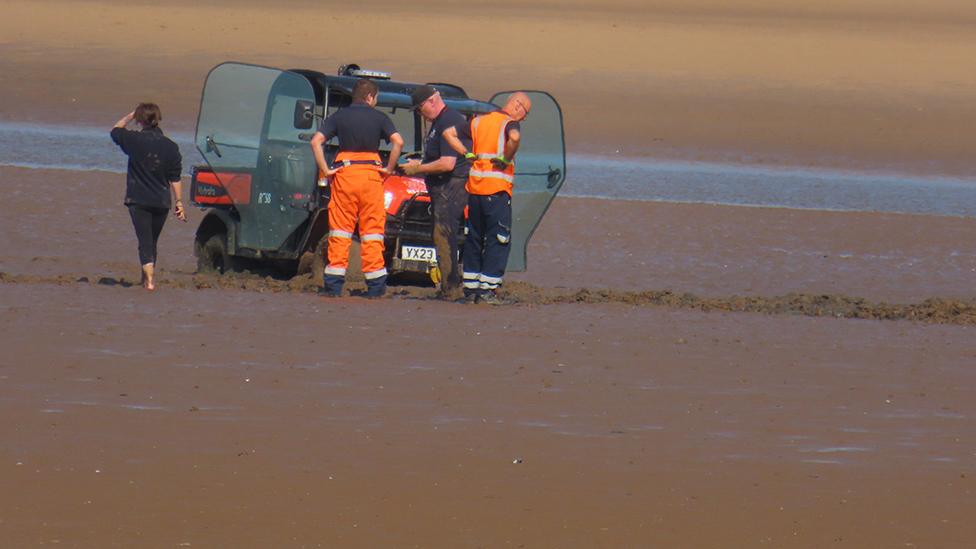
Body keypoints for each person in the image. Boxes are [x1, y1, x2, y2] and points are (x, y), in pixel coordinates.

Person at [311, 78, 404, 298]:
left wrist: (326, 169)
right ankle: (375, 287)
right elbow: (398, 142)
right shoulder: (380, 117)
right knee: (372, 233)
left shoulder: (339, 116)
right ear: (370, 97)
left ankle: (333, 287)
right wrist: (389, 168)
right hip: (372, 177)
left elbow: (316, 141)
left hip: (345, 175)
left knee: (340, 231)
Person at [444, 92, 532, 304]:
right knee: (498, 239)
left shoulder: (478, 121)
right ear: (518, 107)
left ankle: (471, 289)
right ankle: (487, 290)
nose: (524, 118)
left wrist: (466, 153)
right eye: (526, 113)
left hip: (475, 191)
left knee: (474, 237)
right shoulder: (509, 123)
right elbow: (515, 138)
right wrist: (506, 157)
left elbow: (448, 133)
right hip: (497, 190)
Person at [401, 85, 472, 301]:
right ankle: (449, 284)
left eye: (420, 108)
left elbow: (448, 163)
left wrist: (418, 168)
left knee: (444, 234)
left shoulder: (449, 121)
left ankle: (451, 287)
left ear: (432, 101)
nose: (419, 113)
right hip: (442, 187)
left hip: (452, 186)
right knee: (442, 235)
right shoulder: (438, 123)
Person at [110, 103, 185, 291]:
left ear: (140, 120)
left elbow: (115, 130)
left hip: (138, 200)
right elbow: (175, 178)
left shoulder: (133, 140)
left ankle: (149, 280)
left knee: (144, 241)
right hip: (161, 201)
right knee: (152, 242)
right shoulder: (171, 147)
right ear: (158, 119)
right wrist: (179, 202)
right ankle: (146, 279)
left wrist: (129, 116)